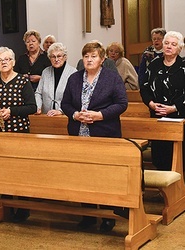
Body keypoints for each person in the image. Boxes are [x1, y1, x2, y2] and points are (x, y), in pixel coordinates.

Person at [61, 41, 128, 233]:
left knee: (105, 176)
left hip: (105, 132)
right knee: (84, 175)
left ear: (102, 59)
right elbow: (65, 103)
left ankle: (108, 216)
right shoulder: (74, 78)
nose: (89, 60)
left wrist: (100, 115)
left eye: (93, 56)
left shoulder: (111, 77)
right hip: (79, 133)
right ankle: (88, 215)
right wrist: (75, 114)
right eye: (86, 56)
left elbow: (122, 103)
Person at [0, 47, 37, 222]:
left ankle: (22, 207)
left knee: (19, 170)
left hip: (18, 132)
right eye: (0, 60)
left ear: (13, 62)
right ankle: (5, 206)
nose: (4, 62)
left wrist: (11, 111)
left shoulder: (22, 81)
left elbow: (32, 107)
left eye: (7, 59)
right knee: (1, 169)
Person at [140, 31, 185, 182]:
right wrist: (151, 103)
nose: (169, 47)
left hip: (180, 116)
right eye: (166, 43)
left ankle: (182, 186)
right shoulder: (154, 64)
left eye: (173, 44)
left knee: (183, 154)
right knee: (161, 153)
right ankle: (164, 185)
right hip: (159, 115)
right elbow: (144, 87)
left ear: (179, 49)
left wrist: (173, 107)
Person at [35, 42, 76, 116]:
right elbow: (38, 93)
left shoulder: (73, 73)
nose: (56, 59)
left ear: (65, 57)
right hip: (46, 115)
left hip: (65, 116)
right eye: (53, 56)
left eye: (59, 56)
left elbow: (75, 98)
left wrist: (61, 111)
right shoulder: (45, 72)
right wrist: (38, 107)